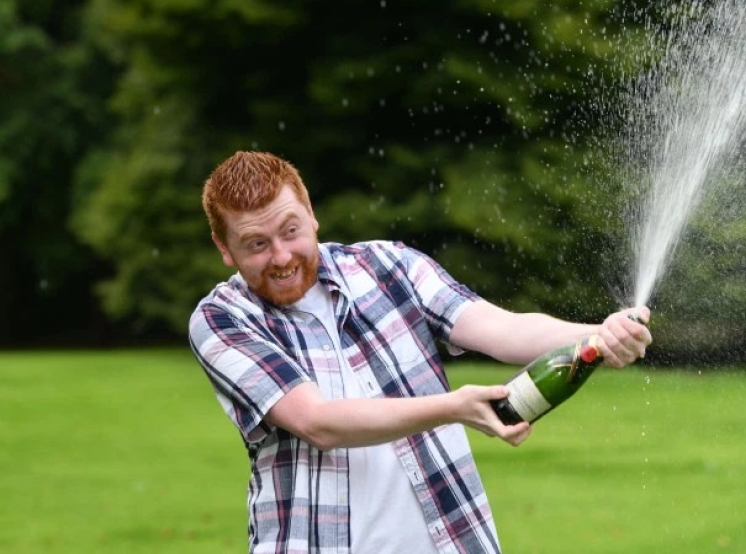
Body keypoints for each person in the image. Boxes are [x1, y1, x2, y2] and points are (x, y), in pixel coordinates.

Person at [188, 150, 652, 554]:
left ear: (311, 213)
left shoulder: (388, 265)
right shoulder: (222, 320)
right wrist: (453, 407)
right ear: (224, 248)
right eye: (257, 244)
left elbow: (499, 328)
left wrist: (600, 334)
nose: (282, 256)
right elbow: (318, 422)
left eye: (290, 230)